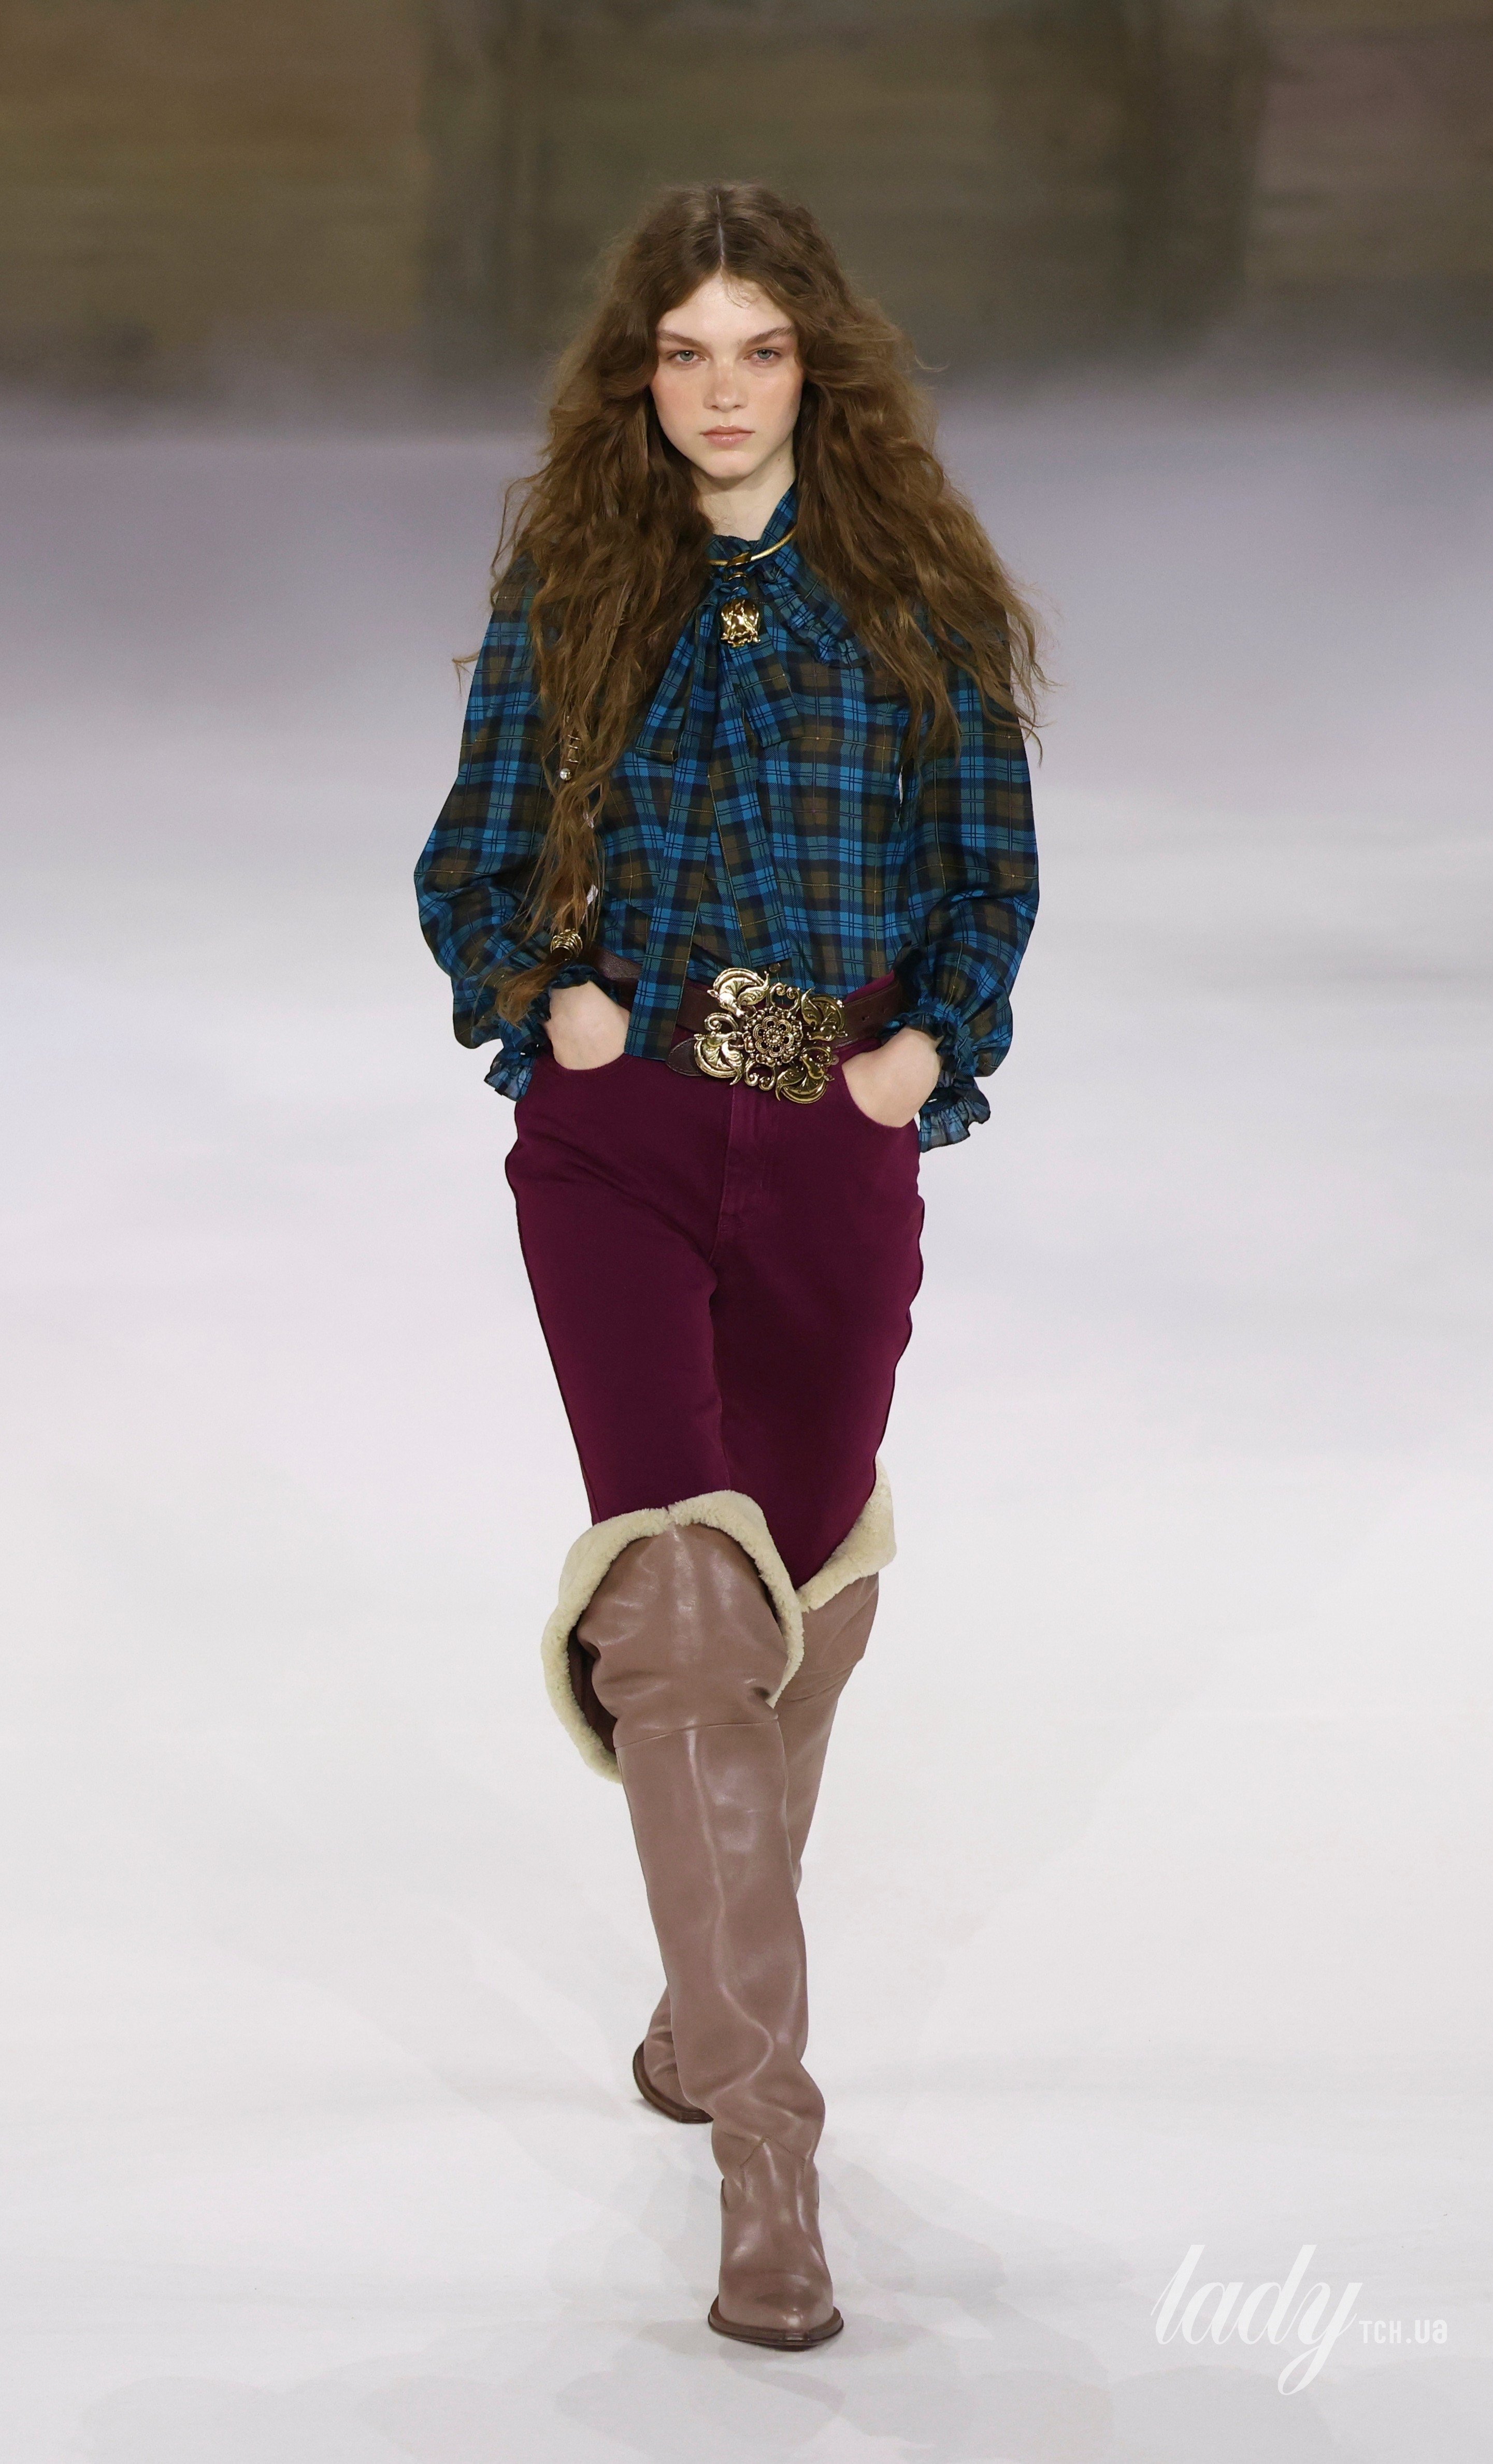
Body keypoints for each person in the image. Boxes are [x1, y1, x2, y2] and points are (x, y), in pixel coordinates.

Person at [414, 181, 1041, 2352]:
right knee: (679, 1603)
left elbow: (986, 871)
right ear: (639, 373)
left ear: (814, 366)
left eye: (757, 350)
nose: (719, 390)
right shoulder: (577, 578)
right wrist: (550, 998)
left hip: (821, 1106)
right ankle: (769, 2160)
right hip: (616, 1130)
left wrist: (920, 1055)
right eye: (683, 352)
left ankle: (702, 2022)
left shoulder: (913, 588)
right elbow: (472, 856)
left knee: (798, 1592)